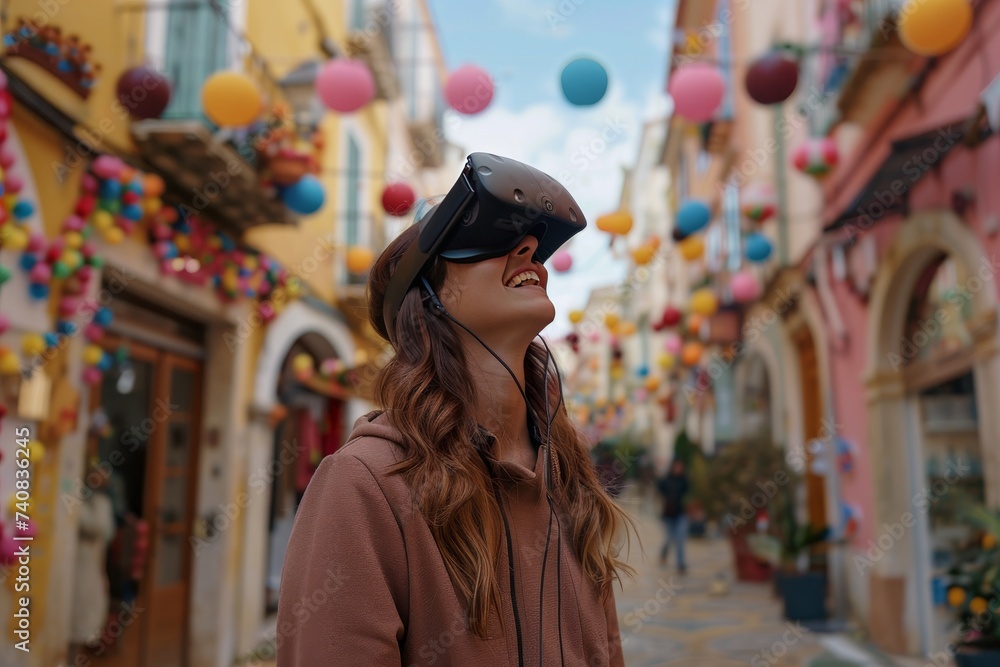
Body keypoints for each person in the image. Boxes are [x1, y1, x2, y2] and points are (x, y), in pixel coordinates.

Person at [277, 154, 634, 667]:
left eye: (533, 243)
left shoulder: (568, 475)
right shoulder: (363, 485)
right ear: (427, 297)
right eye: (488, 237)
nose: (530, 249)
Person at [658, 458, 690, 573]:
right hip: (668, 515)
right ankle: (664, 553)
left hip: (680, 514)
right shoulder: (667, 480)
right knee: (669, 539)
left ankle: (680, 564)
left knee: (680, 539)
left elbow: (688, 496)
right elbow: (660, 489)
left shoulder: (685, 481)